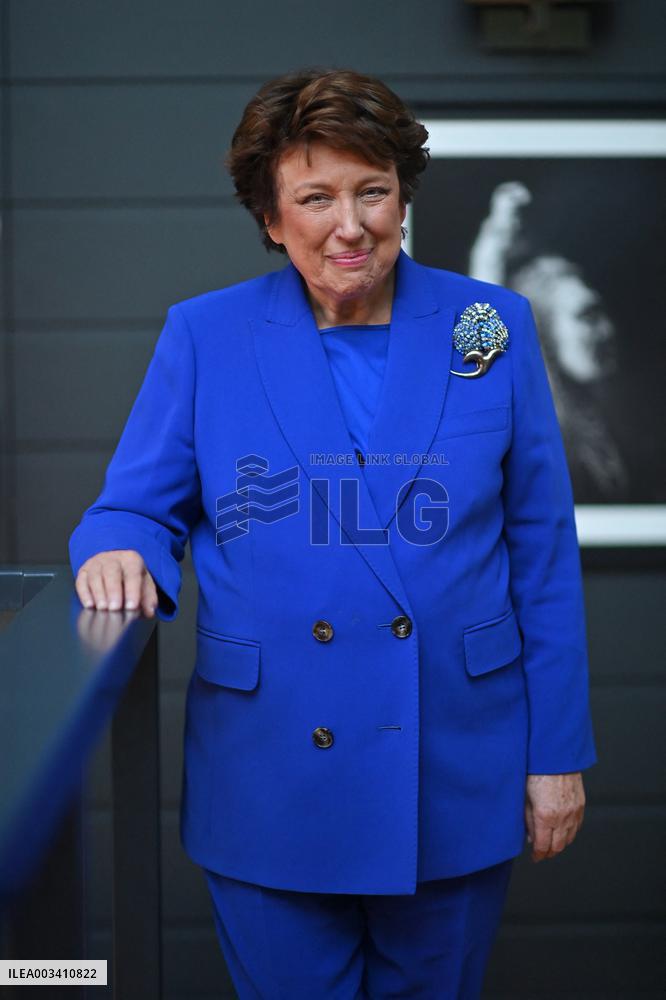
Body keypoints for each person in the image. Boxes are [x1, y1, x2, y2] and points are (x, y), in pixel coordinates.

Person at [69, 68, 598, 998]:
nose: (349, 225)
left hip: (455, 759)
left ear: (403, 198)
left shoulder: (491, 327)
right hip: (270, 769)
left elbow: (542, 557)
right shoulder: (207, 336)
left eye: (373, 191)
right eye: (315, 197)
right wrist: (118, 549)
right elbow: (132, 508)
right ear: (272, 219)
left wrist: (556, 755)